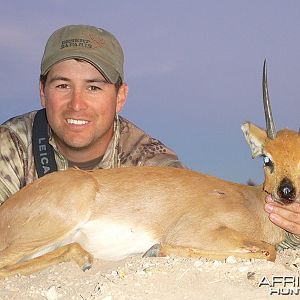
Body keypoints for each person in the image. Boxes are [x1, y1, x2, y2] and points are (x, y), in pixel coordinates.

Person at [0, 24, 183, 204]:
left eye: (93, 88)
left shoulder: (154, 167)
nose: (77, 104)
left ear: (120, 96)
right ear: (43, 92)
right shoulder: (10, 147)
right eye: (63, 86)